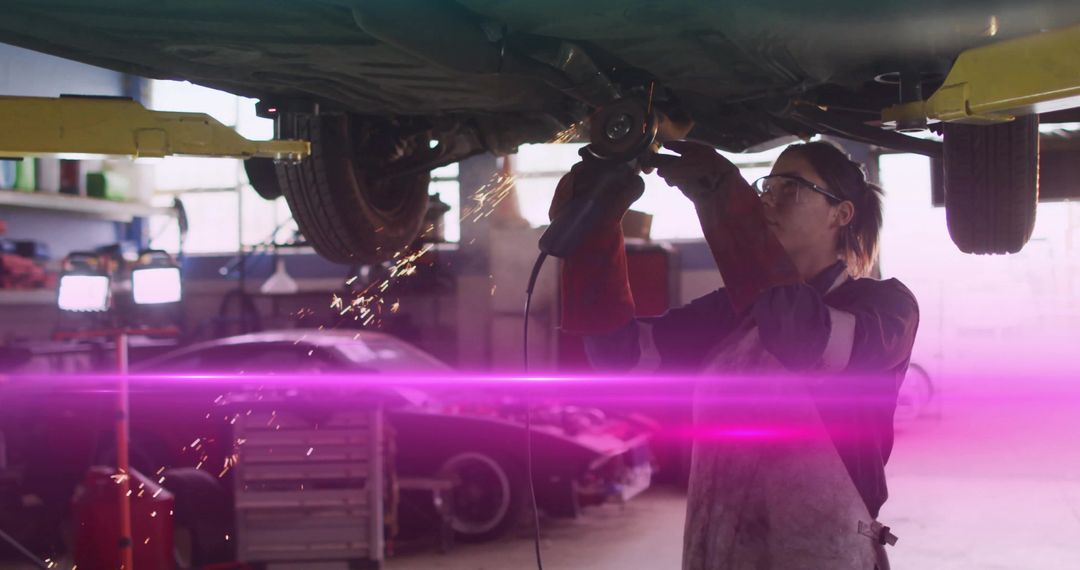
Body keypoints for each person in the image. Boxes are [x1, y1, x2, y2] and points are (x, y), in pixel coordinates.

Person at [550, 140, 919, 570]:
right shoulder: (733, 310)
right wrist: (595, 232)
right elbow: (621, 354)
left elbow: (802, 338)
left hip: (824, 555)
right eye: (766, 186)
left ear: (841, 214)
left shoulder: (886, 308)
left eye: (791, 188)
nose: (767, 201)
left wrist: (721, 199)